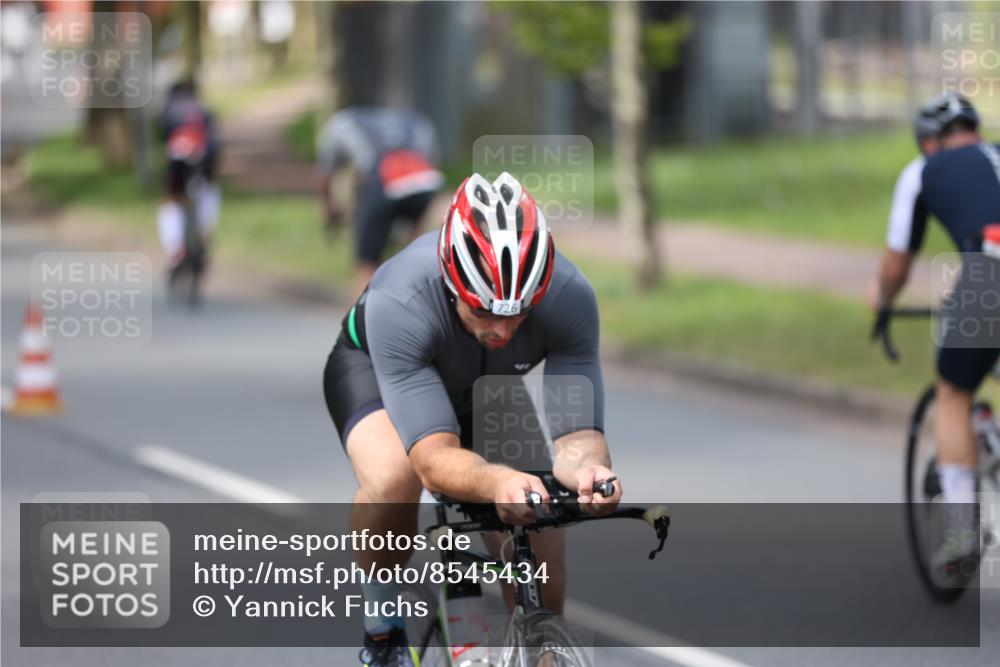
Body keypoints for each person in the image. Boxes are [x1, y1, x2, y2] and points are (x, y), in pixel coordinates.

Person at [323, 173, 621, 666]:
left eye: (519, 312)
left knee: (541, 513)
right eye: (484, 310)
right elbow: (433, 460)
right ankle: (382, 631)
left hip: (487, 388)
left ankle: (540, 651)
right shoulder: (401, 299)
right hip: (376, 370)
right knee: (395, 477)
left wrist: (591, 470)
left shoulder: (570, 299)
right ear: (452, 280)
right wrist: (499, 480)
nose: (502, 329)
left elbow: (577, 435)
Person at [871, 93, 1000, 567]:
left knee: (953, 390)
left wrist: (881, 300)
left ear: (929, 142)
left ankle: (961, 532)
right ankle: (986, 435)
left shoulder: (921, 171)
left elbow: (896, 265)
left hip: (992, 270)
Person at [316, 107, 443, 297]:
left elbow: (326, 176)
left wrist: (329, 209)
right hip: (423, 180)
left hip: (383, 178)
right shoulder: (416, 121)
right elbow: (431, 163)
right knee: (417, 255)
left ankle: (361, 320)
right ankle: (419, 300)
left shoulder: (341, 123)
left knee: (366, 263)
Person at [156, 79, 222, 275]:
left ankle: (176, 250)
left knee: (171, 202)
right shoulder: (205, 111)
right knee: (209, 192)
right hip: (205, 163)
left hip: (178, 164)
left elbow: (164, 140)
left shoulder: (169, 111)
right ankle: (204, 238)